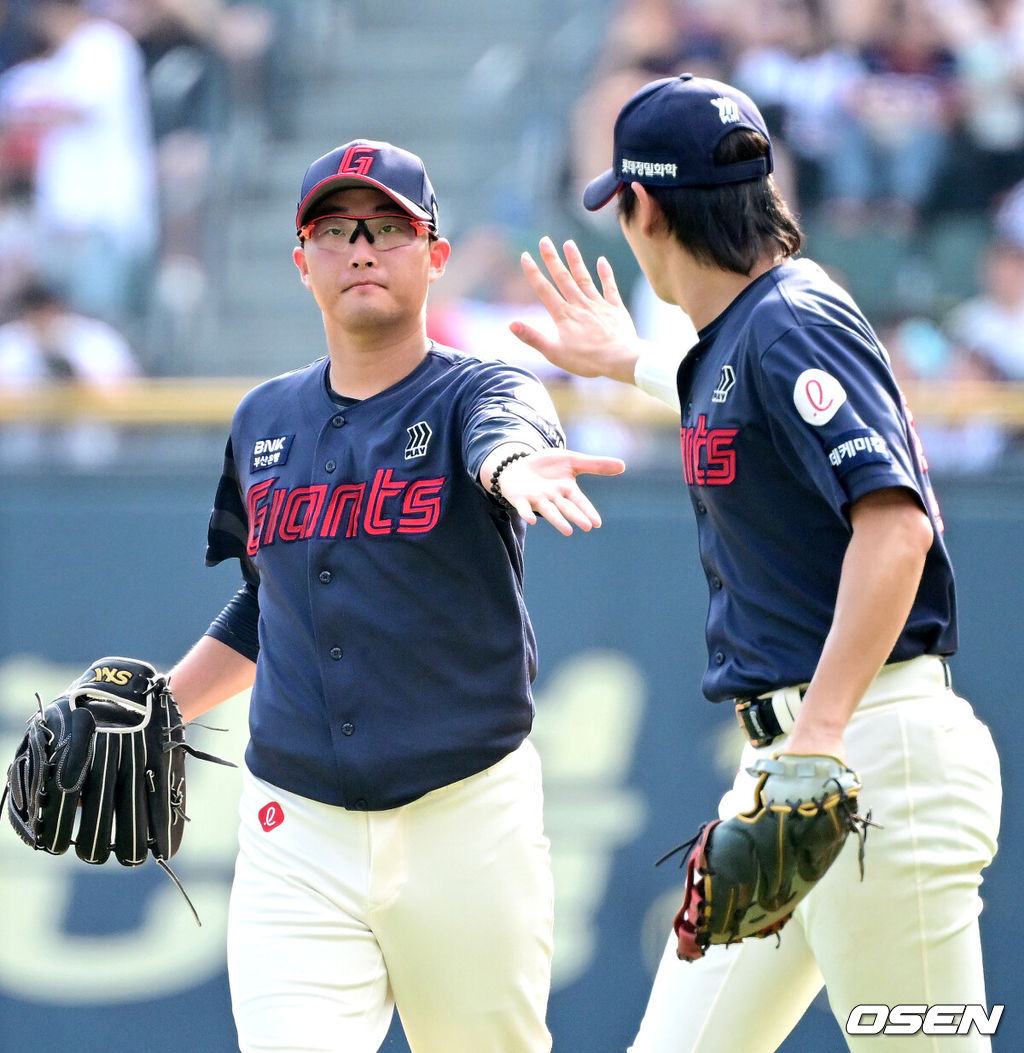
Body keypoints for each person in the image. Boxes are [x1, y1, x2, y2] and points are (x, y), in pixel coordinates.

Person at [511, 74, 1002, 1051]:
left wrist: (815, 740)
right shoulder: (755, 325)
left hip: (867, 757)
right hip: (798, 767)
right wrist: (629, 361)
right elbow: (739, 398)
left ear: (642, 207)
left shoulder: (790, 319)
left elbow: (894, 529)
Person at [162, 138, 624, 1053]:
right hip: (294, 830)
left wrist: (514, 462)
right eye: (334, 231)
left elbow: (507, 430)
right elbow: (270, 604)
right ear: (302, 264)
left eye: (388, 227)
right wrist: (163, 707)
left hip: (463, 817)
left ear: (435, 255)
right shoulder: (262, 419)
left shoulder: (479, 391)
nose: (361, 248)